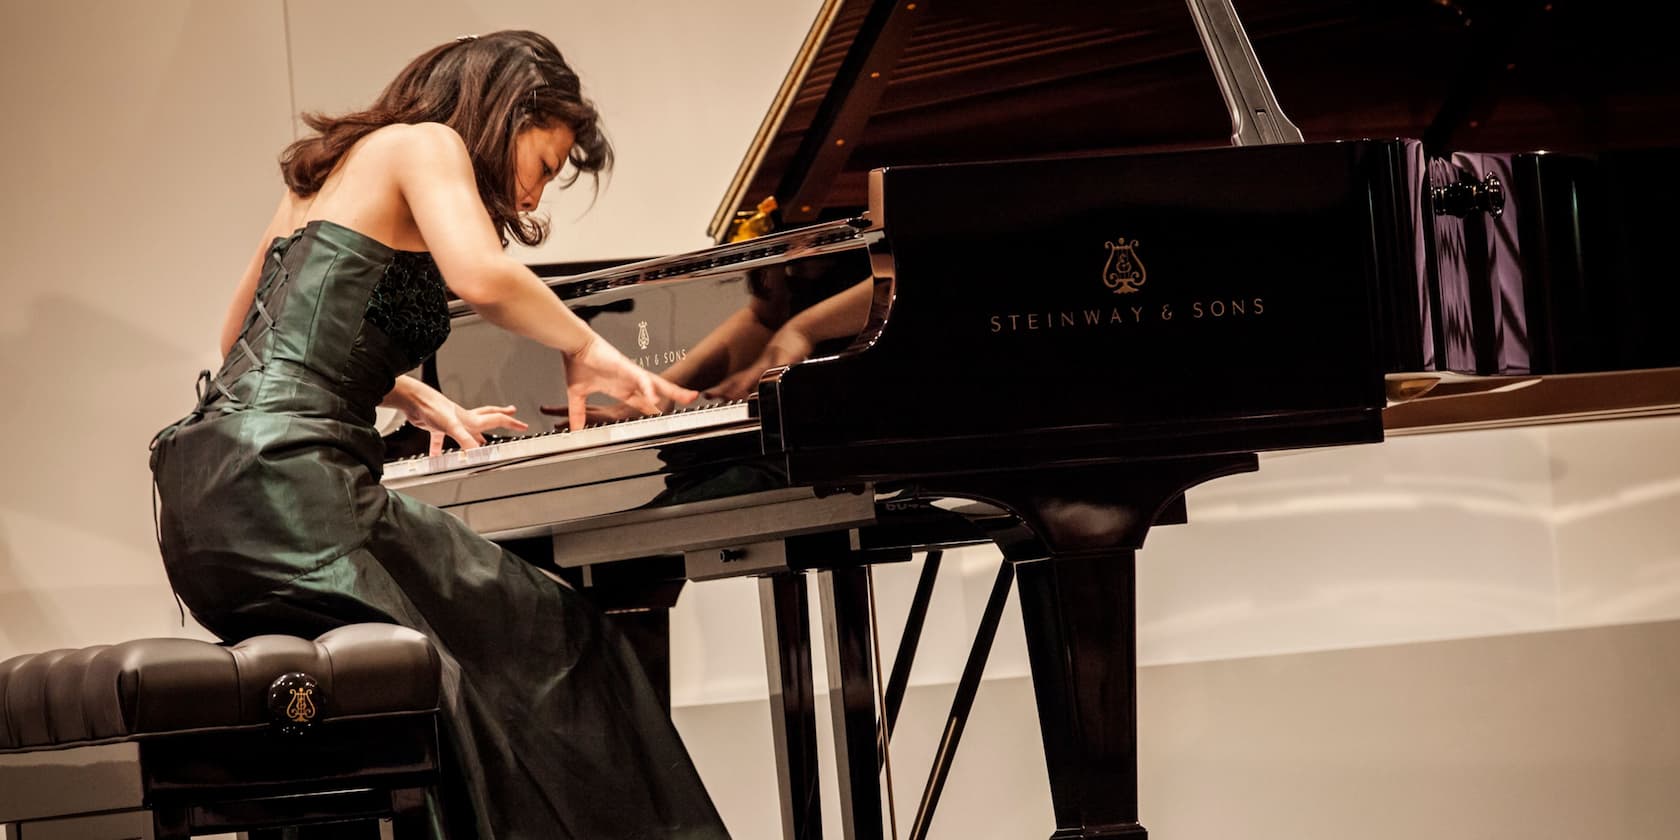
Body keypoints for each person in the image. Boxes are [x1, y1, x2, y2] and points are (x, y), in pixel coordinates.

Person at [148, 30, 728, 839]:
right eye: (545, 167)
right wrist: (586, 345)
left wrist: (406, 392)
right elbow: (480, 276)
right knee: (559, 638)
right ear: (510, 112)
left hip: (205, 499)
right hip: (291, 488)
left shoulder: (329, 173)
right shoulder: (425, 144)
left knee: (472, 662)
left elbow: (239, 338)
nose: (532, 200)